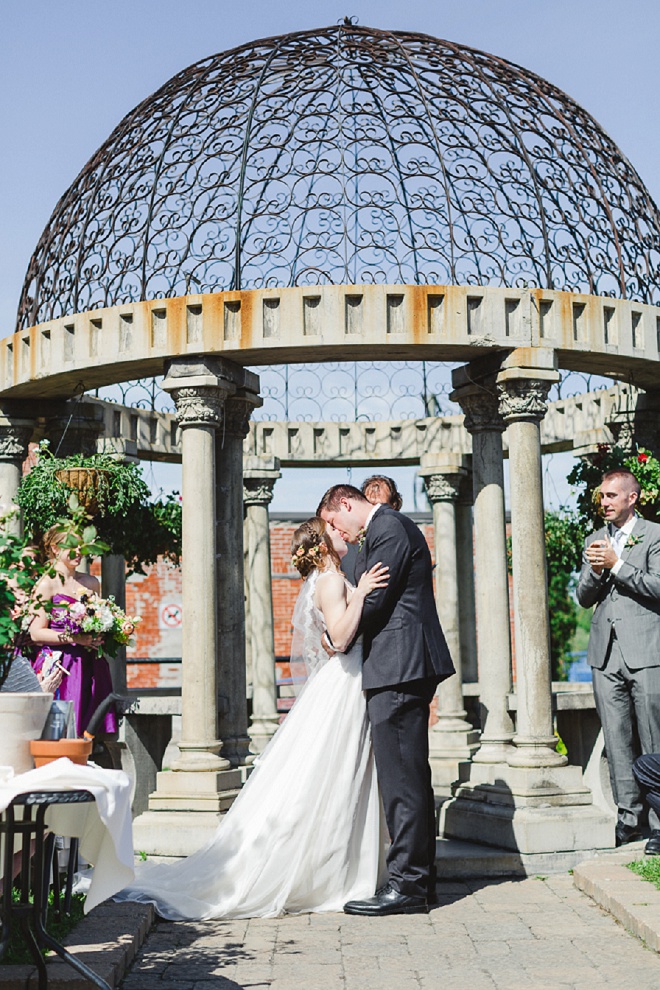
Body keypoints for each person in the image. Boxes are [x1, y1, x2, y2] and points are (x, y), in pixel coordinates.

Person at [113, 517, 390, 919]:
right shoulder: (331, 581)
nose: (343, 535)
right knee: (334, 772)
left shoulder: (326, 579)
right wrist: (362, 593)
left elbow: (330, 643)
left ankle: (340, 862)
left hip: (342, 681)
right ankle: (327, 871)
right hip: (344, 685)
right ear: (325, 544)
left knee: (336, 775)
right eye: (335, 532)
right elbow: (343, 637)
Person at [317, 483, 454, 916]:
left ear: (345, 504)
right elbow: (361, 587)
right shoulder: (376, 534)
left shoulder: (389, 528)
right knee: (407, 777)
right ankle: (420, 881)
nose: (340, 533)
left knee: (402, 783)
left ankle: (407, 887)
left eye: (335, 523)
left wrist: (336, 633)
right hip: (396, 667)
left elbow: (373, 602)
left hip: (400, 666)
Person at [576, 469, 660, 847]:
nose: (605, 503)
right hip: (605, 656)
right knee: (617, 738)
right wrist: (596, 570)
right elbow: (583, 596)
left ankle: (659, 824)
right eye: (602, 497)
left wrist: (617, 565)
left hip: (647, 651)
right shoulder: (595, 539)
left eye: (612, 496)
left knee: (654, 738)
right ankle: (628, 820)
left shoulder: (656, 535)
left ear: (632, 497)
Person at [29, 526, 117, 737]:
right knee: (61, 732)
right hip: (62, 666)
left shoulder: (91, 583)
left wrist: (109, 631)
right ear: (54, 548)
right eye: (72, 546)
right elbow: (36, 633)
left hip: (90, 664)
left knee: (92, 732)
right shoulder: (45, 584)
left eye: (81, 546)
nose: (79, 551)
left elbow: (99, 619)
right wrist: (76, 638)